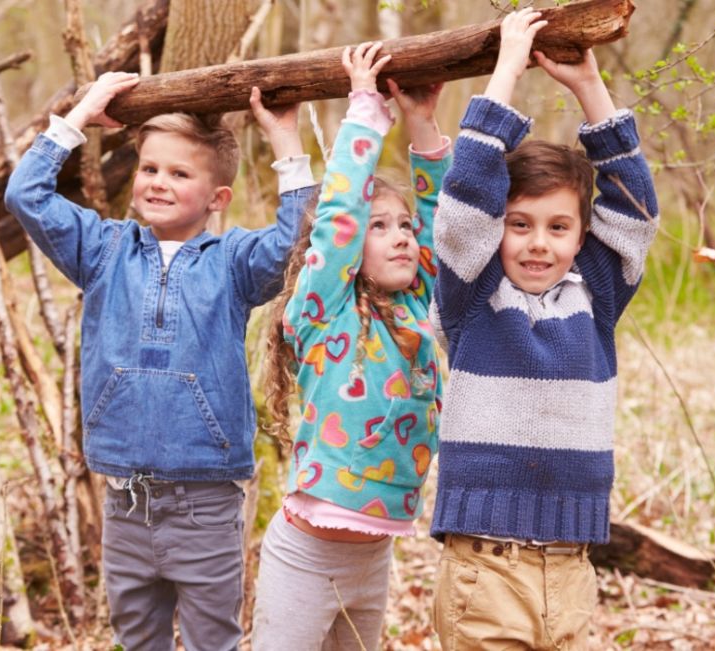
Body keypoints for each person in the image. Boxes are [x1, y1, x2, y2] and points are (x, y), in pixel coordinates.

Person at [4, 72, 316, 651]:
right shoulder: (103, 249)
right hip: (124, 502)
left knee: (211, 641)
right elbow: (27, 196)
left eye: (179, 173)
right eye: (149, 169)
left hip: (205, 500)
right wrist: (80, 116)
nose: (158, 183)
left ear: (217, 198)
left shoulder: (233, 262)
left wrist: (285, 140)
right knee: (136, 638)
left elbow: (299, 240)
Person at [430, 8, 660, 650]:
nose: (537, 244)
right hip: (485, 569)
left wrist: (591, 89)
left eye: (558, 227)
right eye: (519, 224)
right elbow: (463, 206)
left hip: (573, 567)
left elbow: (636, 210)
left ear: (581, 235)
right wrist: (507, 67)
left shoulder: (598, 294)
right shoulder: (472, 295)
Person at [253, 41, 450, 650]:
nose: (398, 238)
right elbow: (338, 213)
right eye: (379, 227)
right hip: (305, 558)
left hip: (376, 558)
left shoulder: (421, 311)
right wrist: (364, 109)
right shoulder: (324, 313)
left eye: (403, 226)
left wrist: (422, 123)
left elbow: (449, 224)